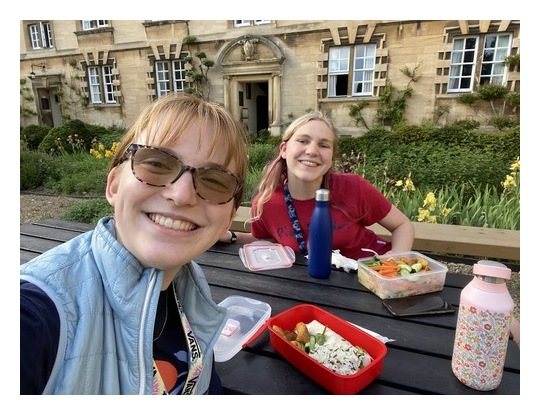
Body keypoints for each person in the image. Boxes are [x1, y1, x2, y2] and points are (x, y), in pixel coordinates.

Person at [20, 94, 248, 394]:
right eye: (156, 163)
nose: (181, 195)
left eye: (215, 181)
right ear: (113, 184)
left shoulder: (190, 291)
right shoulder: (35, 316)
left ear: (228, 218)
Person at [218, 111, 414, 260]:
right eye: (303, 141)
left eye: (324, 145)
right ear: (284, 149)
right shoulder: (266, 202)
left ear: (331, 156)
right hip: (322, 288)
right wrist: (231, 236)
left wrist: (394, 262)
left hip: (373, 274)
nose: (312, 151)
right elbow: (267, 238)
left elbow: (402, 225)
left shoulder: (354, 188)